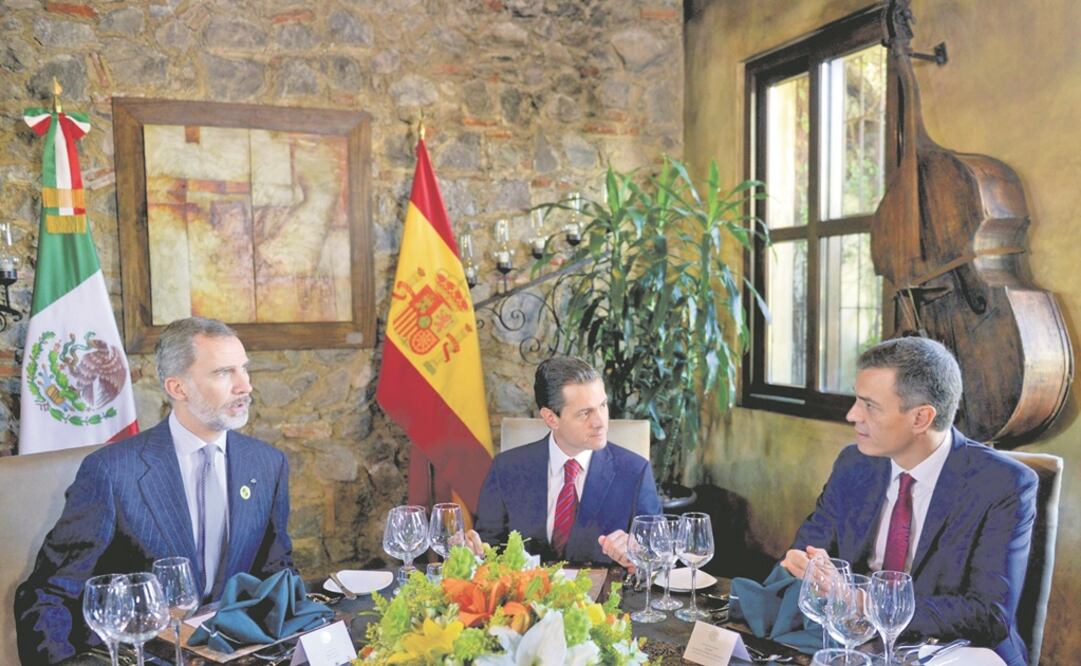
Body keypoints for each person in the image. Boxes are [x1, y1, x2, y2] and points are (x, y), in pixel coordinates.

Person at [15, 317, 295, 664]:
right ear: (178, 388)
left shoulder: (268, 464)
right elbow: (47, 593)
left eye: (244, 369)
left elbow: (277, 571)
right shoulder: (113, 471)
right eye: (224, 373)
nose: (245, 386)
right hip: (142, 655)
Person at [779, 337, 1036, 666]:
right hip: (857, 644)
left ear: (921, 418)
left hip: (956, 653)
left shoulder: (1004, 484)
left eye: (869, 405)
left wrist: (863, 602)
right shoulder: (853, 463)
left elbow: (989, 615)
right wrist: (808, 565)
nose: (852, 415)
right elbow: (810, 547)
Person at [471, 356, 662, 566]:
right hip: (525, 596)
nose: (600, 422)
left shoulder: (635, 471)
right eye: (585, 413)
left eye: (603, 405)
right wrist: (472, 551)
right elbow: (488, 549)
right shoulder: (506, 468)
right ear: (551, 418)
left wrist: (637, 556)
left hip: (607, 596)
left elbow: (657, 557)